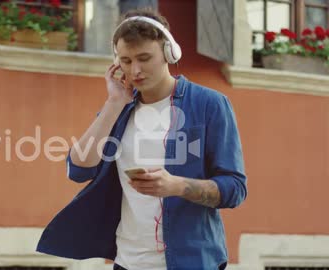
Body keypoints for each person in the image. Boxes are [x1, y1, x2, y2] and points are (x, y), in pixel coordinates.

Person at [36, 8, 247, 270]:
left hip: (191, 263)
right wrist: (113, 103)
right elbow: (78, 169)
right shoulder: (119, 110)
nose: (135, 70)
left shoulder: (209, 104)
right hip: (127, 263)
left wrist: (177, 185)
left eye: (144, 58)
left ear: (169, 53)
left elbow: (235, 189)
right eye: (125, 61)